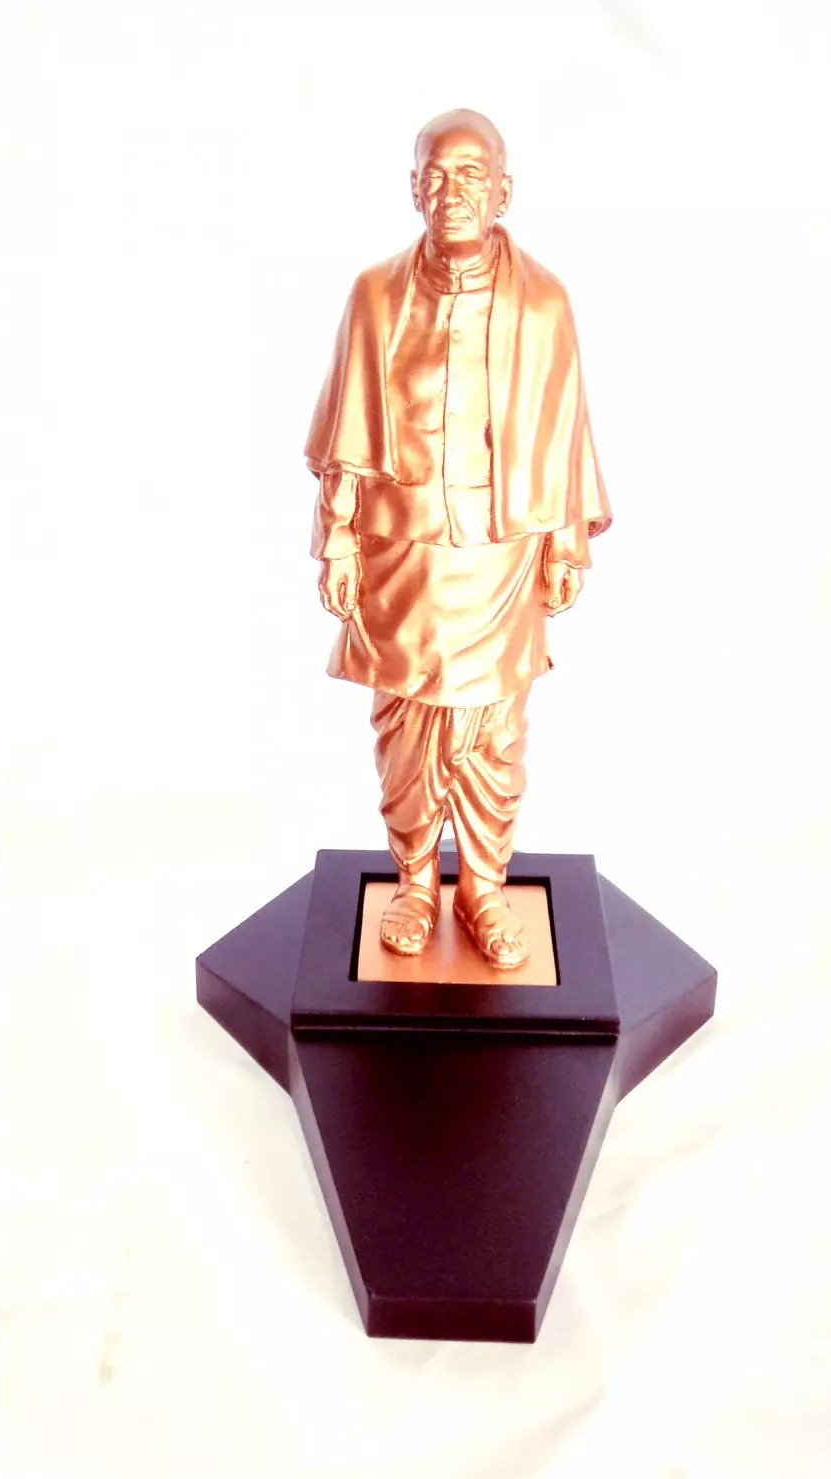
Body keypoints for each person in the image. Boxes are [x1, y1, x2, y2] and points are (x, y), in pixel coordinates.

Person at [306, 109, 611, 969]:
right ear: (412, 188)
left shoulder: (543, 303)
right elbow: (346, 432)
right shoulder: (375, 296)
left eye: (473, 175)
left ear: (504, 191)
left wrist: (562, 543)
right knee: (405, 728)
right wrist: (339, 540)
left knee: (495, 734)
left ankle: (481, 887)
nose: (453, 192)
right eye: (437, 175)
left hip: (501, 556)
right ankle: (413, 884)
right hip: (402, 554)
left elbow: (563, 432)